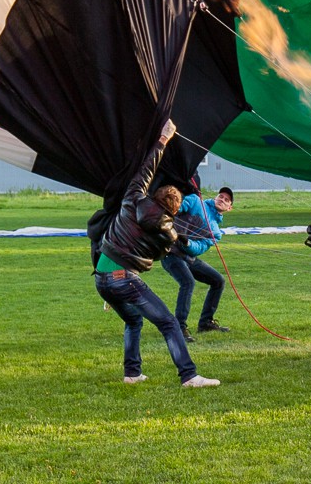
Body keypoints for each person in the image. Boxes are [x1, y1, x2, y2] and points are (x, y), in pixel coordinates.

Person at [93, 120, 219, 388]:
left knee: (134, 320)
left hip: (101, 278)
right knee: (169, 323)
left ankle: (132, 373)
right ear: (173, 211)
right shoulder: (168, 231)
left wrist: (163, 140)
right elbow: (168, 252)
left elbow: (145, 170)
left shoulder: (132, 197)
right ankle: (189, 375)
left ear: (155, 195)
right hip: (123, 278)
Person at [162, 187, 234, 341]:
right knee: (188, 282)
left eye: (226, 200)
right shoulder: (195, 201)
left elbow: (199, 248)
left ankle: (206, 323)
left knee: (218, 280)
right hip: (170, 253)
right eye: (220, 196)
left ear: (229, 208)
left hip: (188, 256)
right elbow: (176, 208)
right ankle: (179, 327)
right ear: (215, 198)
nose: (222, 199)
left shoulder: (216, 233)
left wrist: (187, 243)